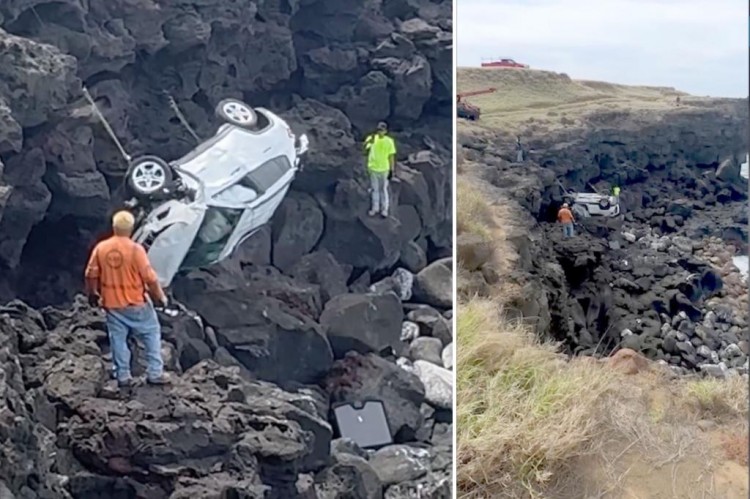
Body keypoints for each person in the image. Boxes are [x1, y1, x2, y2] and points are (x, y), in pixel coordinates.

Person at [84, 210, 170, 389]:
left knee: (118, 338)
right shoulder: (135, 249)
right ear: (130, 229)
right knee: (151, 333)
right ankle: (155, 372)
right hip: (136, 303)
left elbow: (90, 274)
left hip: (112, 305)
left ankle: (123, 375)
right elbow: (150, 278)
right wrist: (159, 297)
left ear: (114, 227)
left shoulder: (101, 248)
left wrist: (92, 294)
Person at [363, 121, 396, 218]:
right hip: (373, 168)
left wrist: (392, 170)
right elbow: (364, 149)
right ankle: (375, 208)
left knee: (383, 190)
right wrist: (368, 142)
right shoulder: (372, 138)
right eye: (378, 130)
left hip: (384, 169)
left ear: (385, 131)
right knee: (375, 189)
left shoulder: (389, 141)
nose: (380, 132)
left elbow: (391, 156)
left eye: (382, 130)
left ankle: (384, 210)